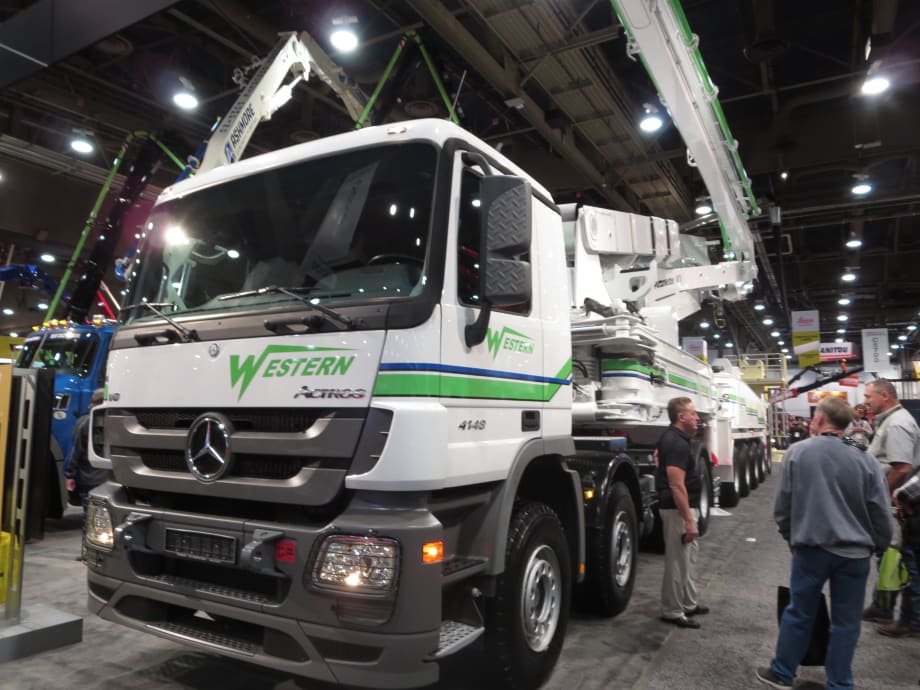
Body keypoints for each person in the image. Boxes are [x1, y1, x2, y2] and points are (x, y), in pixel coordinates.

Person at [756, 397, 892, 690]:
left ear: (818, 420)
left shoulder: (798, 452)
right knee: (847, 623)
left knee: (800, 613)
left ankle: (782, 672)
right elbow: (879, 508)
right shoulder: (865, 456)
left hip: (812, 550)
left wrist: (790, 537)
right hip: (855, 554)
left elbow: (783, 506)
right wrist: (879, 544)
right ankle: (840, 683)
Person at [861, 379, 920, 636]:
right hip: (895, 501)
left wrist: (883, 495)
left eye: (868, 396)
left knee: (904, 559)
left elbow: (902, 467)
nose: (865, 401)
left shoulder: (897, 424)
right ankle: (883, 606)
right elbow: (876, 454)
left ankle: (912, 620)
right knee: (889, 556)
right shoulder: (888, 421)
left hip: (900, 503)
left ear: (884, 396)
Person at [656, 396, 708, 629]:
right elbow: (676, 485)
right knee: (677, 563)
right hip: (677, 511)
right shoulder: (676, 442)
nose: (697, 418)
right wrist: (689, 520)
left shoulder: (678, 439)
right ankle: (672, 611)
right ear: (681, 417)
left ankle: (688, 603)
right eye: (693, 414)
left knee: (687, 560)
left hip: (684, 509)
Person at [63, 388, 109, 557]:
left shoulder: (84, 422)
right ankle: (102, 553)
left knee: (89, 517)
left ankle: (88, 552)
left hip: (88, 478)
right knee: (105, 519)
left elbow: (75, 450)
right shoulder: (116, 421)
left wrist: (69, 474)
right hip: (109, 480)